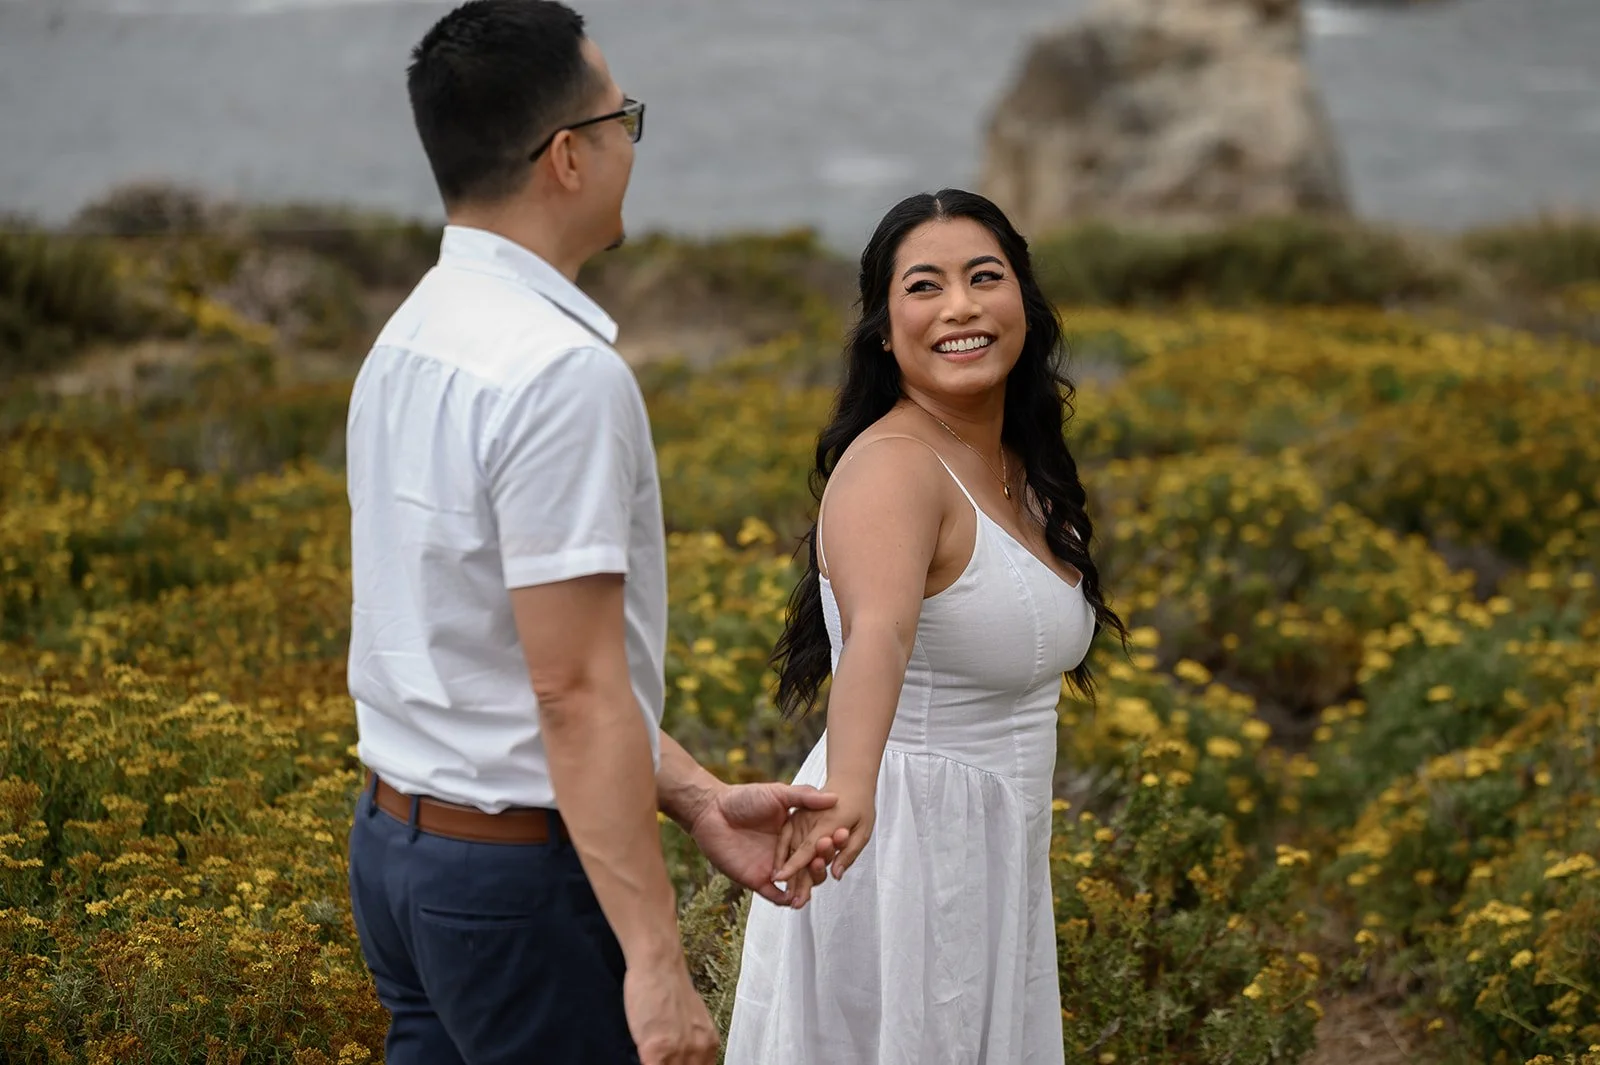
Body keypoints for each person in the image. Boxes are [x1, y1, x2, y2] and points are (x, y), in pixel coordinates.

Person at [342, 4, 843, 1063]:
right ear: (567, 157)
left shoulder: (408, 338)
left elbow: (487, 654)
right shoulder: (561, 373)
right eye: (624, 118)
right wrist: (657, 963)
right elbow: (570, 691)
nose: (630, 142)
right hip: (520, 890)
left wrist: (698, 796)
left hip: (399, 863)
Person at [724, 188, 1129, 1065]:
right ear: (881, 325)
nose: (960, 307)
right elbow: (878, 635)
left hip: (994, 847)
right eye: (924, 286)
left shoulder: (1017, 459)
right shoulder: (895, 468)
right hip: (901, 853)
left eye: (985, 277)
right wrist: (851, 790)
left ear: (1024, 299)